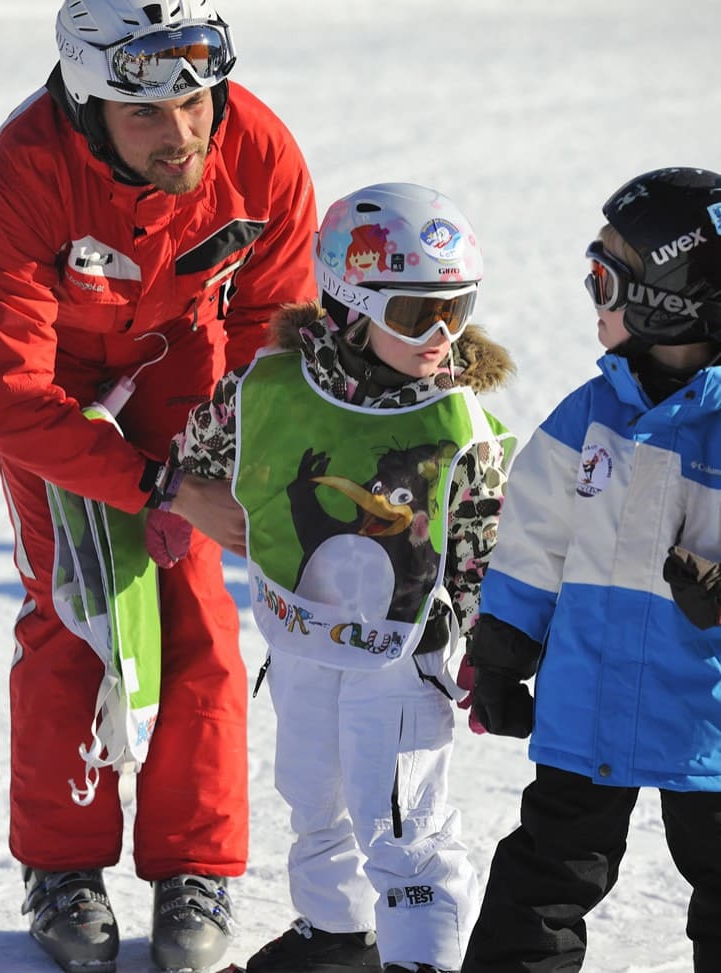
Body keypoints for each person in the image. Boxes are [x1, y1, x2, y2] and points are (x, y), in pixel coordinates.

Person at [0, 1, 318, 971]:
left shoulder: (258, 148)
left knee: (197, 609)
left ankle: (194, 869)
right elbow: (9, 393)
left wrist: (242, 464)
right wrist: (157, 488)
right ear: (87, 106)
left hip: (187, 368)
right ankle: (64, 868)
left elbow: (276, 338)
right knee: (73, 607)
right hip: (59, 390)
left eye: (196, 100)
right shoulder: (23, 172)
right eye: (146, 114)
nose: (183, 132)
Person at [146, 182, 516, 973]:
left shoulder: (457, 424)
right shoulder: (270, 388)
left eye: (460, 309)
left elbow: (487, 549)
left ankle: (423, 958)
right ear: (349, 304)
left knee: (402, 817)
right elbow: (202, 451)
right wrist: (175, 501)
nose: (445, 337)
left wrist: (496, 650)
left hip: (402, 651)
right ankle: (337, 933)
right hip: (304, 631)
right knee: (313, 790)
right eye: (419, 314)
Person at [459, 167, 721, 973]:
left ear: (670, 297)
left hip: (706, 714)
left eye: (605, 276)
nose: (592, 293)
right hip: (592, 696)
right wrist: (502, 648)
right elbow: (536, 536)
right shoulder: (590, 414)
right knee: (544, 876)